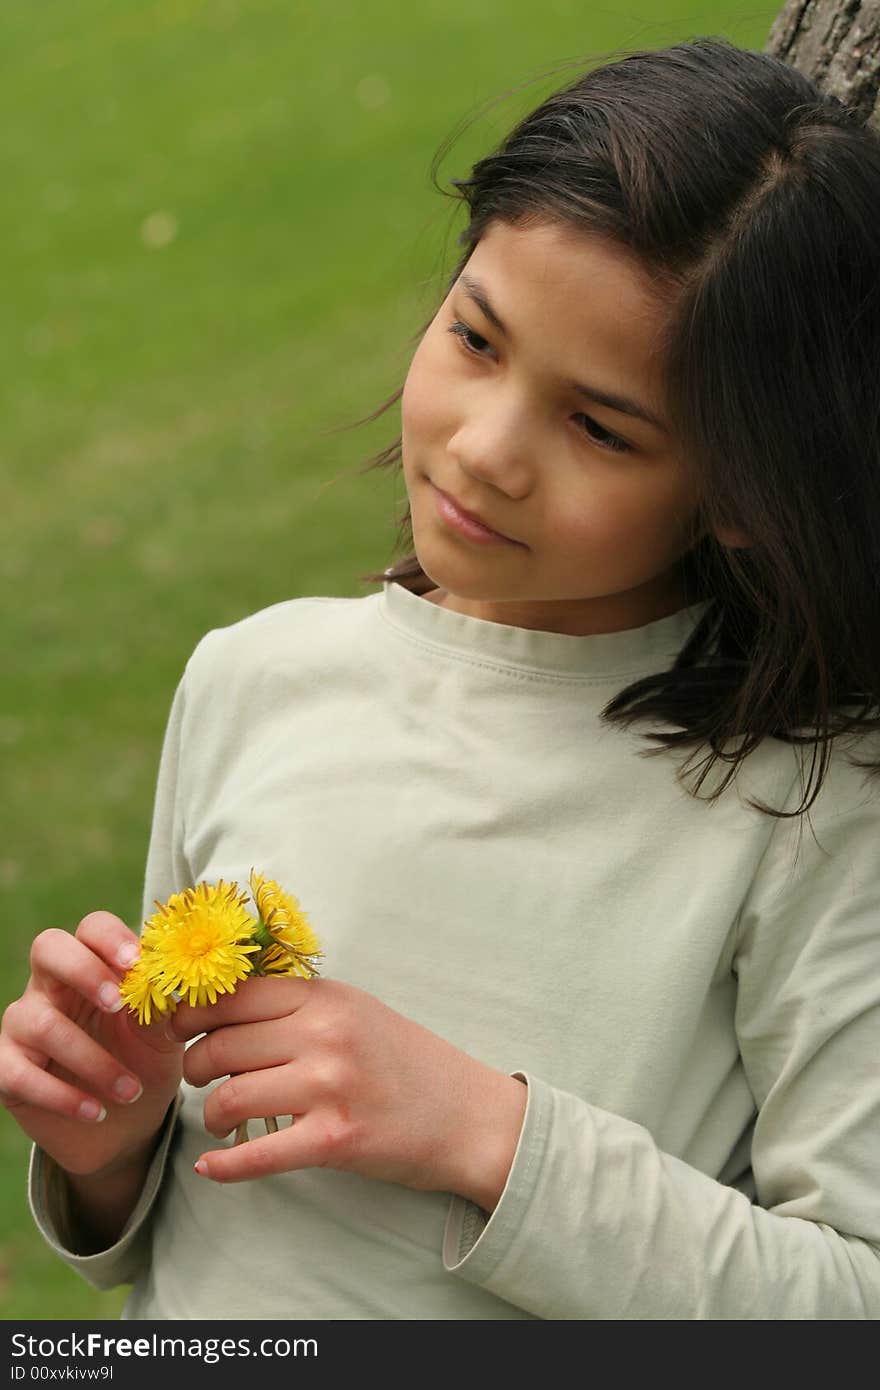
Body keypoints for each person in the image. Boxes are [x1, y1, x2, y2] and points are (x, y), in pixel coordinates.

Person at [2, 35, 879, 1320]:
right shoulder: (253, 678)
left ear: (741, 490)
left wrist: (484, 1133)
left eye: (598, 426)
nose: (485, 449)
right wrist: (107, 1144)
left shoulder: (806, 800)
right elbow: (200, 1226)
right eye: (474, 336)